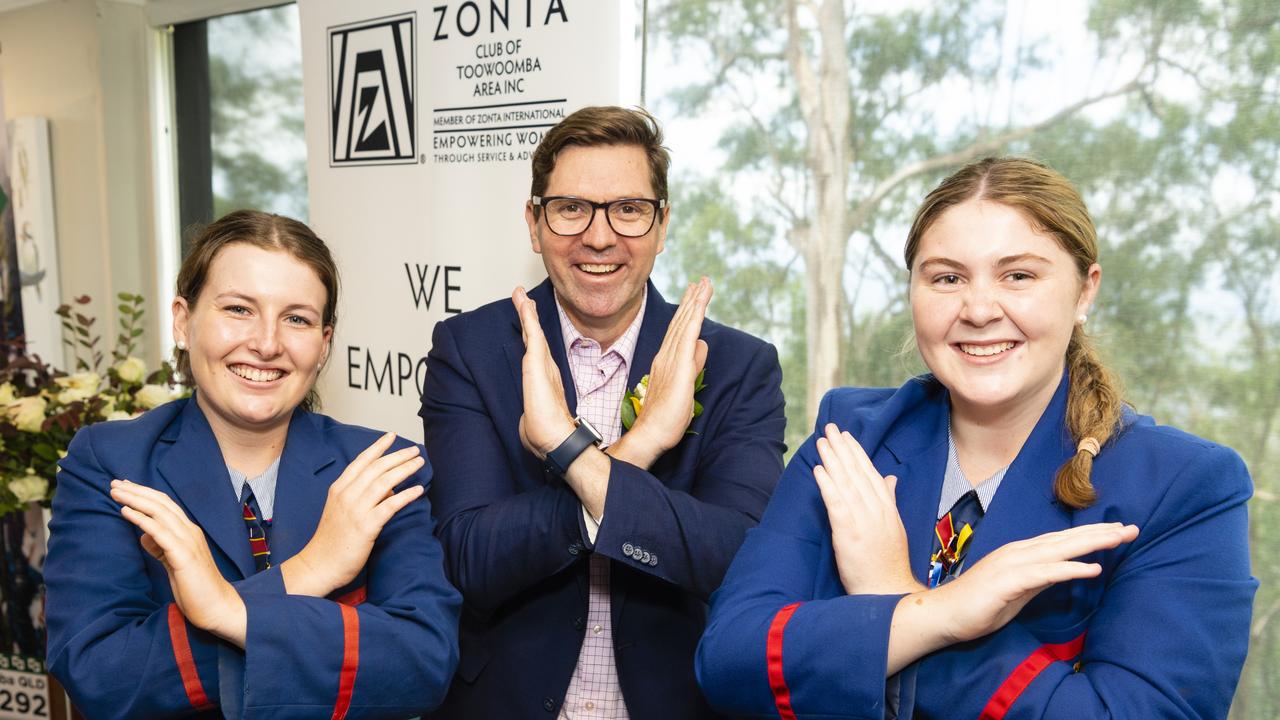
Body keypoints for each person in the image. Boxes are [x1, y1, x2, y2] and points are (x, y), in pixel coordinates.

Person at [696, 157, 1256, 719]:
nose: (980, 310)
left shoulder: (1184, 485)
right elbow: (728, 661)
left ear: (1085, 292)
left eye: (1018, 276)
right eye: (947, 278)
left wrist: (895, 591)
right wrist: (935, 613)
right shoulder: (853, 438)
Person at [420, 106, 786, 719]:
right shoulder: (471, 350)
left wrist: (568, 450)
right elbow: (468, 558)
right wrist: (639, 449)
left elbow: (736, 559)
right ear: (534, 224)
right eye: (571, 208)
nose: (599, 236)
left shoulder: (737, 366)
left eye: (629, 209)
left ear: (662, 224)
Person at [45, 210, 461, 718]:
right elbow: (98, 675)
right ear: (182, 320)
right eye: (239, 309)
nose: (267, 343)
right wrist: (308, 573)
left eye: (298, 319)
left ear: (324, 343)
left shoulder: (381, 469)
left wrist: (224, 610)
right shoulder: (113, 463)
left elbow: (421, 666)